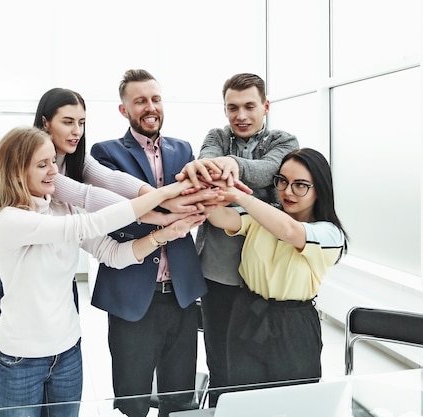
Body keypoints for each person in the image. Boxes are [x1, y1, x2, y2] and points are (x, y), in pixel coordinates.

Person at [0, 87, 211, 409]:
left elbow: (111, 189)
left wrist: (167, 226)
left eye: (82, 122)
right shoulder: (32, 200)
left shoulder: (65, 183)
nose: (77, 131)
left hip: (65, 340)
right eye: (68, 122)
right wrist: (160, 203)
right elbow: (90, 211)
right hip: (24, 336)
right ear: (45, 124)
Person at [175, 73, 299, 406]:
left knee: (259, 363)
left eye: (249, 106)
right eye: (232, 107)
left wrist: (230, 166)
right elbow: (205, 166)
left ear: (265, 106)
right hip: (218, 274)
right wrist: (230, 176)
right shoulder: (216, 135)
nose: (240, 115)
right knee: (220, 361)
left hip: (264, 279)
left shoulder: (284, 141)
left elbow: (270, 171)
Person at [89, 69, 207, 417]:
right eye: (140, 101)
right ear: (124, 110)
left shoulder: (182, 148)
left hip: (181, 293)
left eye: (155, 99)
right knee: (132, 398)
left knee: (179, 396)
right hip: (132, 293)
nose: (150, 107)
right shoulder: (105, 153)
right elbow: (115, 213)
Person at [201, 147, 348, 389]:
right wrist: (209, 187)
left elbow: (289, 231)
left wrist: (242, 197)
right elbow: (220, 218)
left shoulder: (329, 233)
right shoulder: (264, 214)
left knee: (290, 402)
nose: (288, 191)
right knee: (242, 396)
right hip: (247, 313)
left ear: (319, 189)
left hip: (293, 324)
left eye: (300, 185)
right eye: (282, 181)